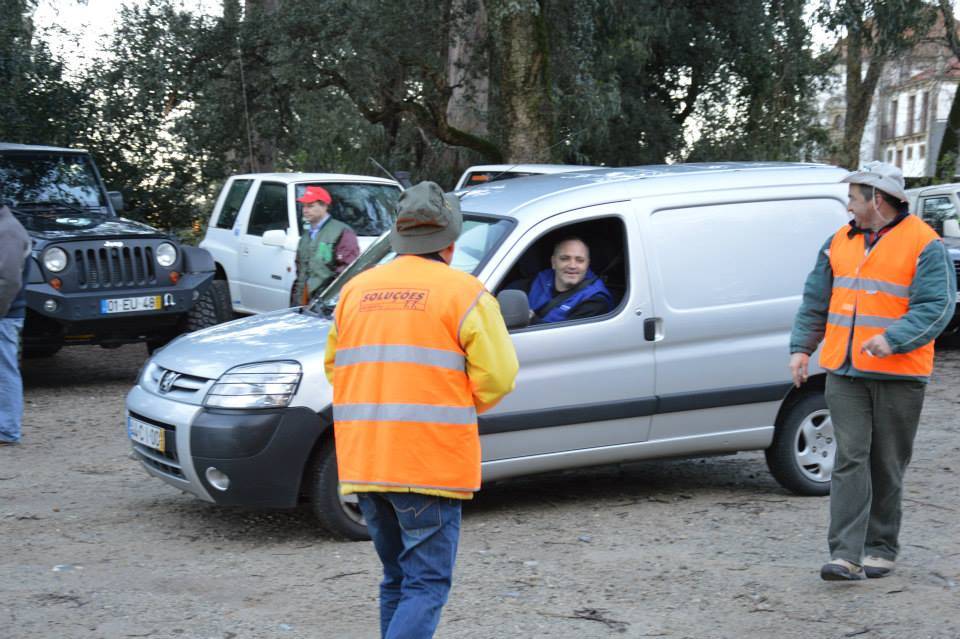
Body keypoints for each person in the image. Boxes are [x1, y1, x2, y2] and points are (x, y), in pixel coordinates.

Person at [324, 181, 518, 639]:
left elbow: (336, 368)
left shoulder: (356, 290)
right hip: (428, 465)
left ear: (399, 238)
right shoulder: (465, 293)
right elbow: (499, 377)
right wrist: (452, 400)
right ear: (450, 244)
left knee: (398, 579)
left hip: (365, 462)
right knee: (427, 583)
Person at [789, 161, 956, 581]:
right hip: (845, 372)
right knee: (849, 458)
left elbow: (937, 308)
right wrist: (801, 350)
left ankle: (880, 546)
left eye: (853, 197)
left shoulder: (925, 244)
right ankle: (845, 554)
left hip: (899, 374)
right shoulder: (838, 242)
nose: (847, 205)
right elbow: (815, 300)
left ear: (877, 200)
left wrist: (893, 339)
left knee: (887, 462)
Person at [512, 236, 613, 323]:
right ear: (553, 262)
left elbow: (568, 341)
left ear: (587, 264)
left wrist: (531, 320)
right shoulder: (540, 279)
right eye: (564, 259)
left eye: (580, 260)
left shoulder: (595, 301)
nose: (572, 266)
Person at [292, 186, 360, 305]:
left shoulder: (342, 232)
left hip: (328, 304)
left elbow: (347, 271)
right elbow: (300, 270)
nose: (305, 210)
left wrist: (329, 299)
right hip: (304, 302)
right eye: (304, 206)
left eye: (310, 206)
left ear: (324, 206)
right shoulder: (306, 235)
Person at [0, 205, 30, 447]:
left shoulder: (7, 230)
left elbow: (8, 280)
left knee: (4, 372)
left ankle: (6, 430)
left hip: (4, 316)